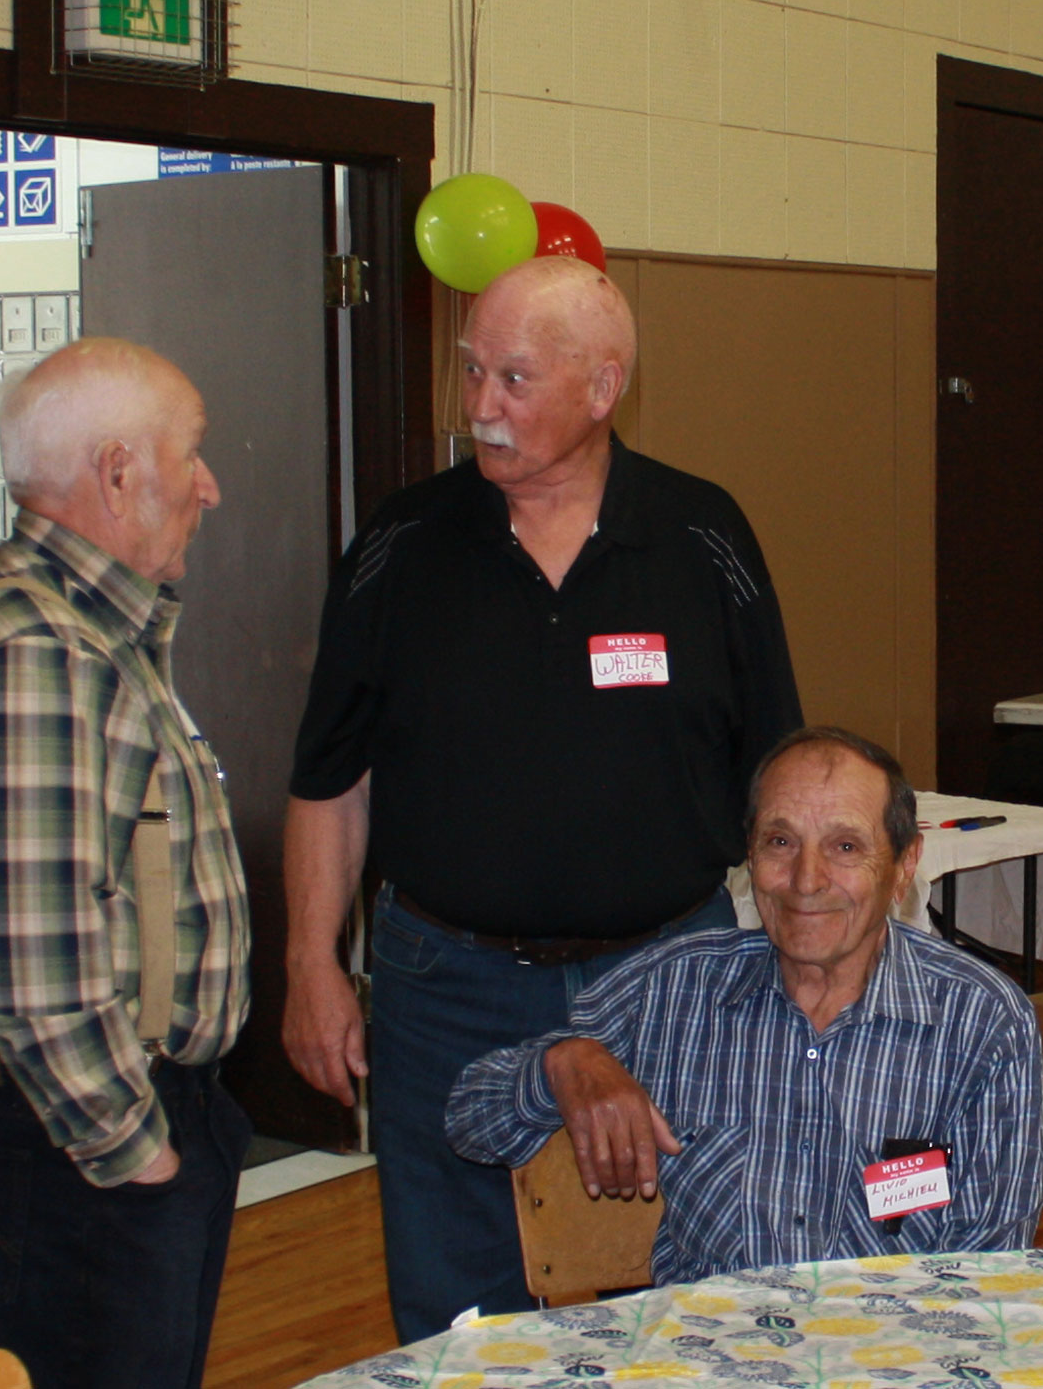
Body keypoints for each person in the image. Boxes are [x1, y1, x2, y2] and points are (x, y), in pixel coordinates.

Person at [282, 256, 803, 1339]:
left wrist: (804, 961)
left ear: (602, 386)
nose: (480, 405)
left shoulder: (705, 537)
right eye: (471, 370)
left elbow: (779, 777)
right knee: (456, 1307)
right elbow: (331, 777)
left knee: (678, 1287)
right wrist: (310, 964)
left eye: (514, 378)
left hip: (668, 984)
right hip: (444, 988)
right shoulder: (400, 545)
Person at [0, 337, 251, 1389]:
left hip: (110, 1127)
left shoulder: (93, 632)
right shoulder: (38, 654)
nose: (211, 484)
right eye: (192, 453)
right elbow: (30, 966)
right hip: (81, 1149)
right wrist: (137, 1154)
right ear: (117, 471)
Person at [446, 726, 1043, 1282]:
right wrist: (563, 1064)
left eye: (843, 846)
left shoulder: (981, 1022)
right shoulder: (673, 991)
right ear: (750, 856)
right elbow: (469, 1119)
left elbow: (989, 1269)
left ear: (903, 865)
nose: (805, 880)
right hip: (707, 1352)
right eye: (780, 841)